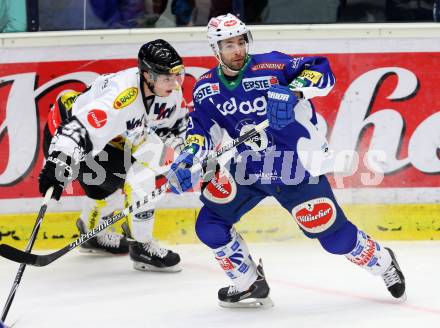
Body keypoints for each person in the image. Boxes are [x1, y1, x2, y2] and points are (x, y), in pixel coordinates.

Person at [167, 13, 406, 308]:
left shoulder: (273, 65)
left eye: (241, 42)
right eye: (229, 45)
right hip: (248, 170)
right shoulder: (205, 88)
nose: (238, 50)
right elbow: (201, 131)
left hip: (296, 168)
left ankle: (384, 262)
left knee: (334, 239)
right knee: (210, 224)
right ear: (215, 49)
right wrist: (188, 158)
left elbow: (322, 70)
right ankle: (247, 283)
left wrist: (293, 91)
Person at [40, 39, 187, 272]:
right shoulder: (123, 96)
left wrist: (187, 155)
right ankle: (135, 243)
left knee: (147, 163)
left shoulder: (170, 91)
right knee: (116, 184)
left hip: (114, 141)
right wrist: (59, 162)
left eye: (178, 74)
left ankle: (106, 237)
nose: (175, 82)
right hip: (65, 130)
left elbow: (173, 129)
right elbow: (81, 128)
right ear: (148, 75)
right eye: (167, 77)